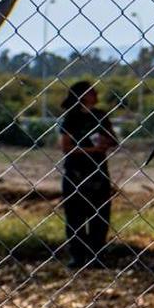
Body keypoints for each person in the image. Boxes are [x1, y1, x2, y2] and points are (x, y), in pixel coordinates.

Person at [59, 81, 117, 267]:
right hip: (76, 172)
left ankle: (96, 255)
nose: (96, 94)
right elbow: (66, 147)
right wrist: (91, 150)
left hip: (98, 173)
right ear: (82, 96)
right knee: (75, 217)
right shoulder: (71, 118)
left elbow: (113, 139)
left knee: (100, 216)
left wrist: (106, 142)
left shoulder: (100, 116)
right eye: (91, 91)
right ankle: (77, 257)